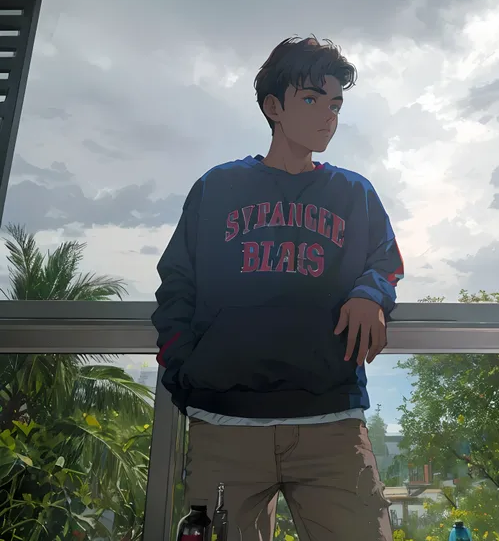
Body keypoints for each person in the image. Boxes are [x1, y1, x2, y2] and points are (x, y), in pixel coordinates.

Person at [151, 36, 404, 541]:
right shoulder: (216, 188)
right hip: (225, 421)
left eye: (335, 104)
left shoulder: (354, 193)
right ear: (274, 106)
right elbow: (176, 282)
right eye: (311, 99)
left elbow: (386, 260)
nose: (328, 116)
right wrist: (184, 368)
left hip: (331, 422)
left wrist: (370, 292)